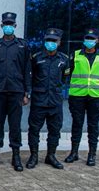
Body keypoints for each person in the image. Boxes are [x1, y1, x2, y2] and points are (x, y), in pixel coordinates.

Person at [0, 12, 31, 172]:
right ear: (1, 26)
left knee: (15, 124)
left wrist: (27, 92)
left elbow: (27, 70)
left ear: (15, 26)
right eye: (6, 24)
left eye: (11, 24)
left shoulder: (23, 46)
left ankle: (16, 156)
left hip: (16, 91)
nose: (8, 26)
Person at [65, 28, 99, 167]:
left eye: (92, 39)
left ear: (97, 40)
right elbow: (67, 73)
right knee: (77, 124)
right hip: (77, 95)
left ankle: (92, 154)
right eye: (87, 38)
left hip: (96, 96)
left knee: (93, 125)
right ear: (84, 40)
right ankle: (74, 152)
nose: (89, 41)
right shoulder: (76, 55)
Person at [26, 28, 68, 170]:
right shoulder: (36, 58)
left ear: (59, 42)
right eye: (48, 40)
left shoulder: (64, 59)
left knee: (55, 130)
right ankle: (34, 156)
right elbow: (30, 77)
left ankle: (51, 155)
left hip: (55, 101)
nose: (51, 43)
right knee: (34, 130)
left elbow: (64, 78)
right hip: (39, 100)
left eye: (54, 40)